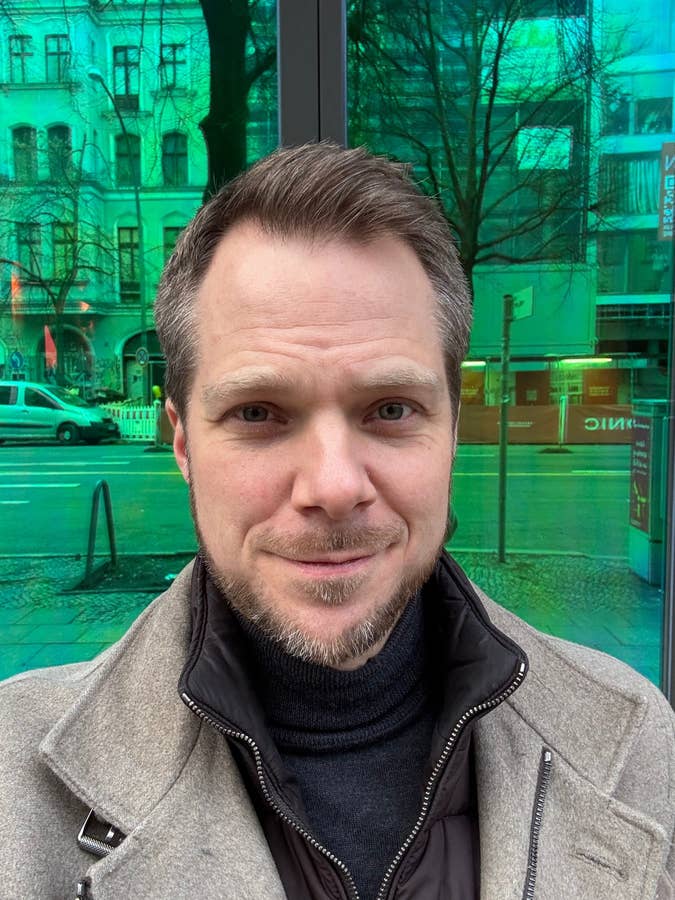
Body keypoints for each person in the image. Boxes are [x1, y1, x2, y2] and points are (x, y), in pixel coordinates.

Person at [1, 143, 673, 900]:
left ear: (452, 432)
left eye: (391, 409)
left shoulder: (635, 745)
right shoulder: (15, 780)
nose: (333, 486)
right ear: (182, 442)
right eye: (258, 413)